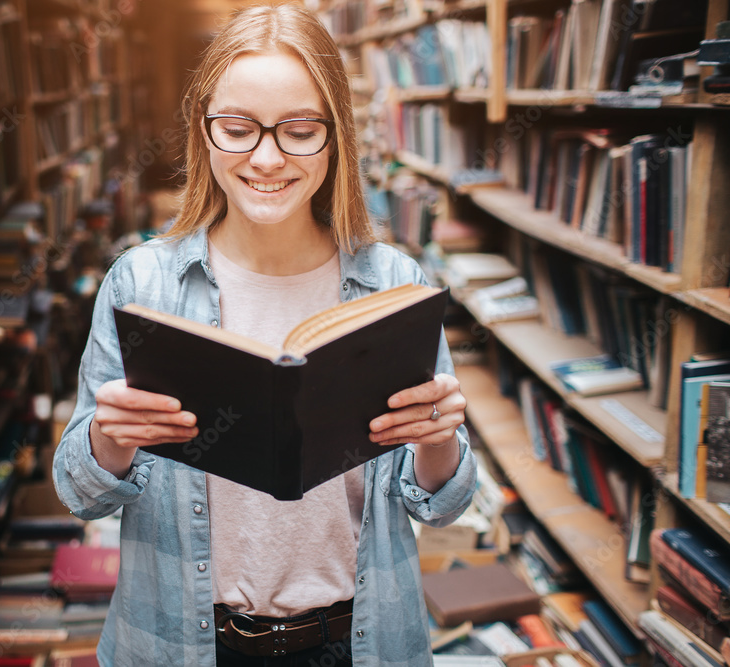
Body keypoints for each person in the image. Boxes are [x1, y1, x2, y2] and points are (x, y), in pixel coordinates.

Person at [53, 5, 477, 665]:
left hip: (356, 645)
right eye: (238, 128)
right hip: (184, 644)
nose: (268, 157)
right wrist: (110, 439)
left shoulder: (394, 283)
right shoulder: (142, 284)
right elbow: (79, 491)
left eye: (300, 129)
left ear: (334, 135)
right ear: (204, 130)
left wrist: (438, 439)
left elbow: (444, 503)